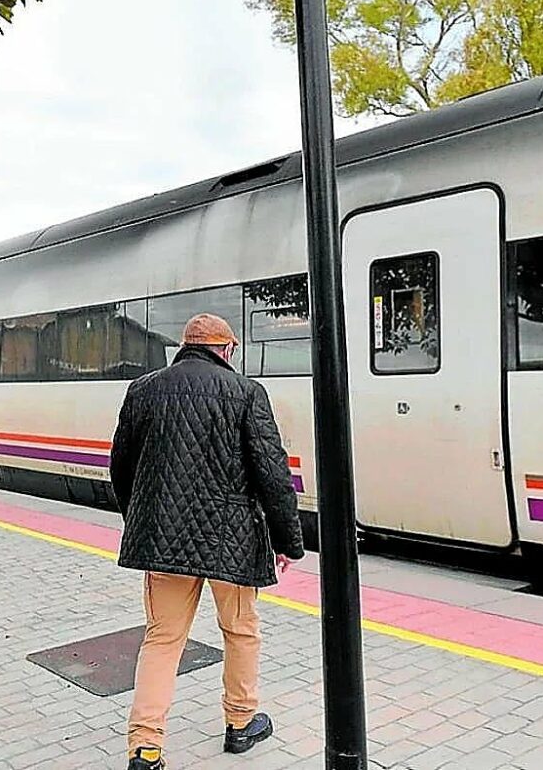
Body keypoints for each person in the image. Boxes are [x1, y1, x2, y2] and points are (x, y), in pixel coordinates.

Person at [110, 313, 305, 770]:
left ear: (185, 347)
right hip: (232, 541)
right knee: (240, 630)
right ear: (228, 350)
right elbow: (272, 475)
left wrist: (141, 519)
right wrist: (287, 541)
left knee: (162, 639)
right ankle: (240, 723)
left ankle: (146, 747)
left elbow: (121, 468)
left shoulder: (144, 390)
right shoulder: (246, 393)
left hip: (165, 540)